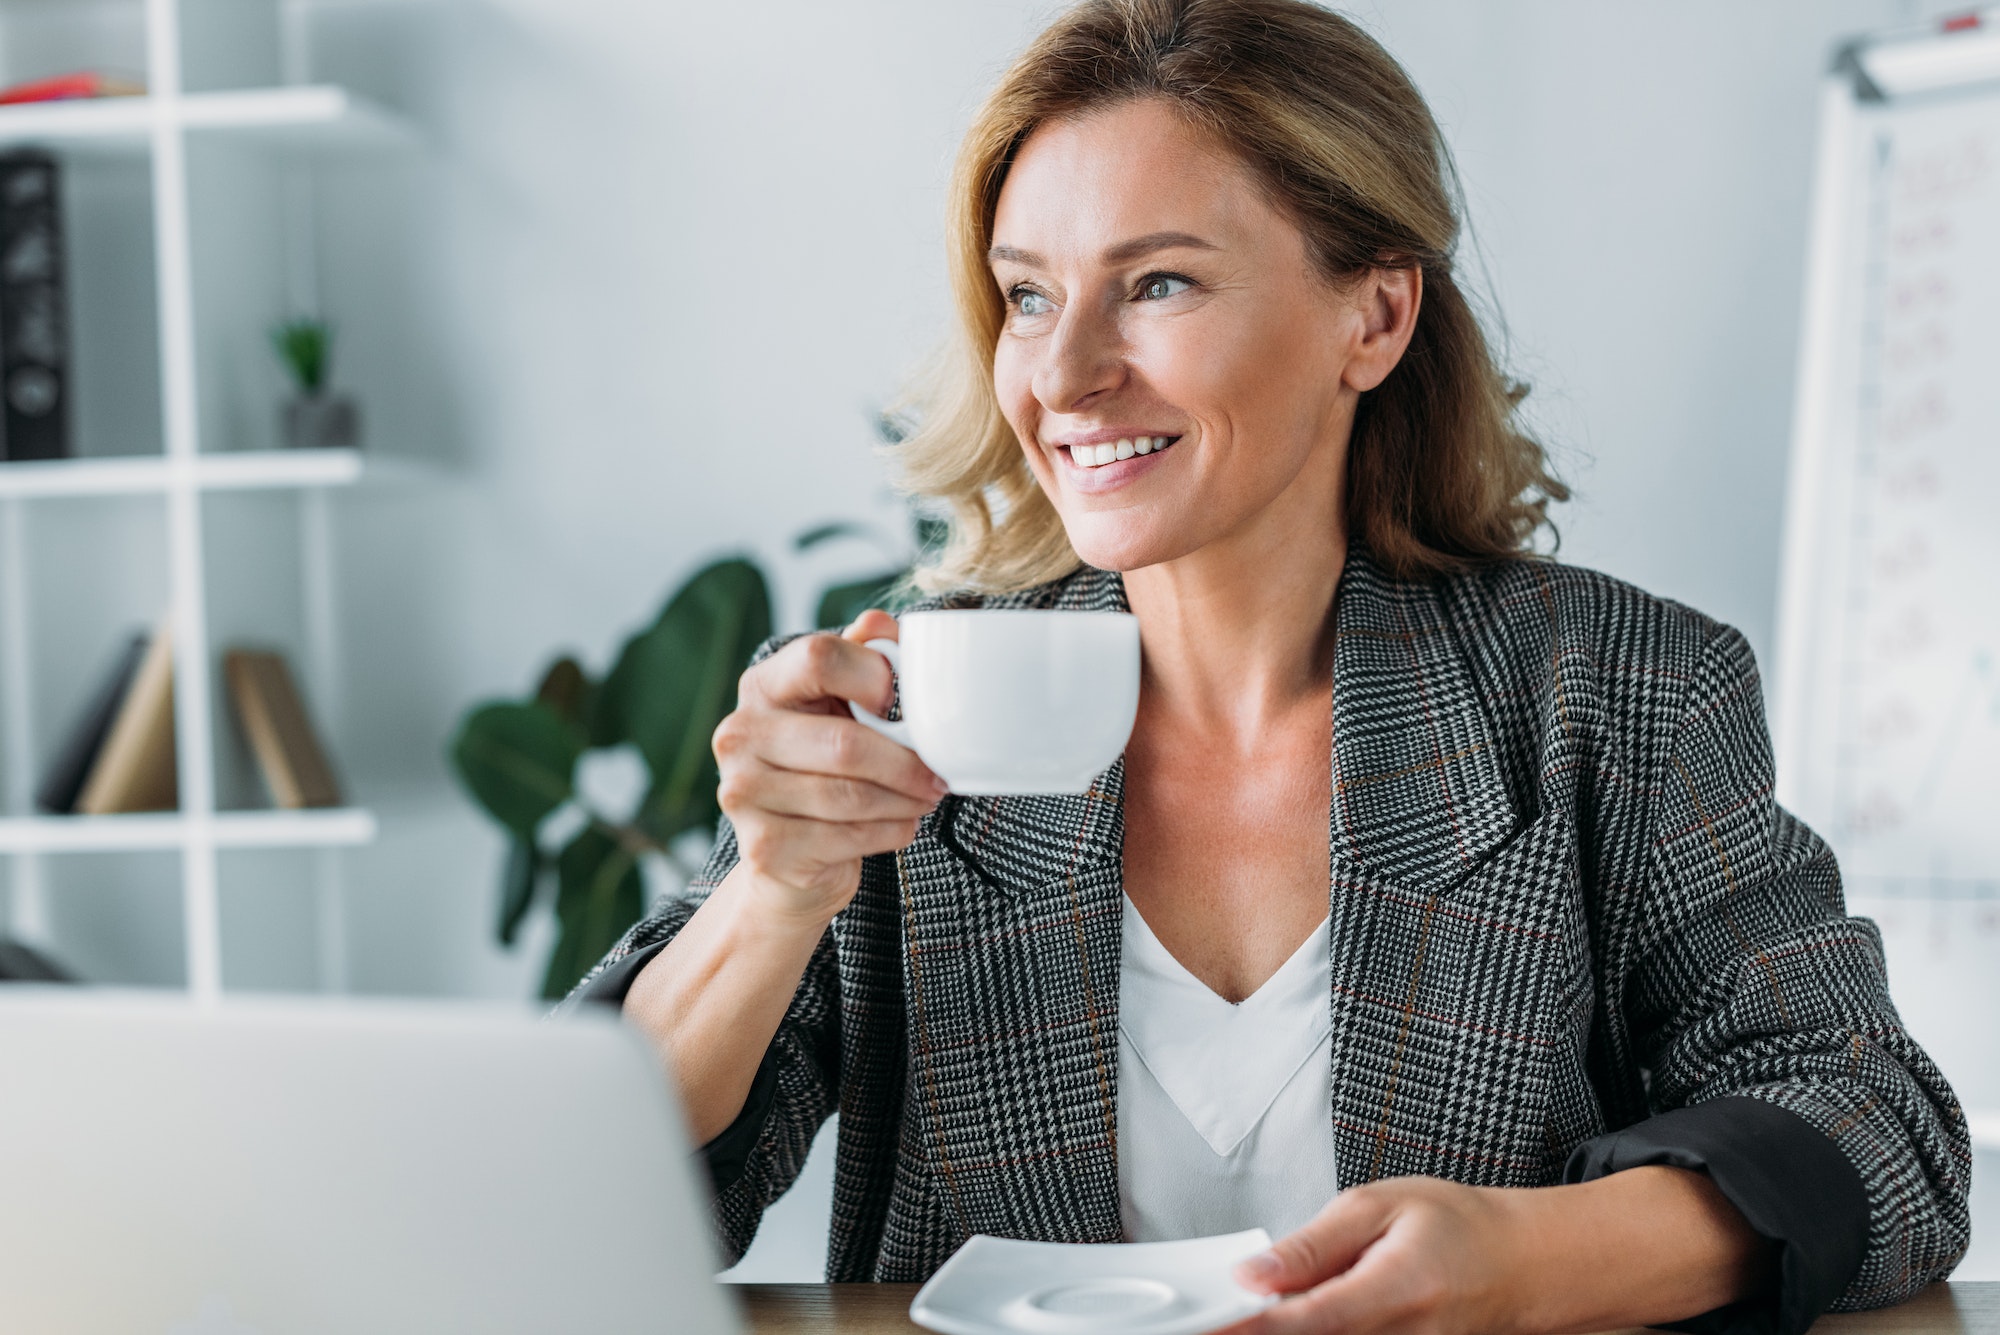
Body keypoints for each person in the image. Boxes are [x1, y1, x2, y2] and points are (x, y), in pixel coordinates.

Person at [574, 3, 1970, 1332]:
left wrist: (1528, 1263)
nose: (1063, 378)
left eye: (1159, 283)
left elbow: (1877, 1127)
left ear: (1374, 318)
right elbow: (605, 1185)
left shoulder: (1617, 690)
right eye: (1027, 297)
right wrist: (775, 893)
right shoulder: (901, 709)